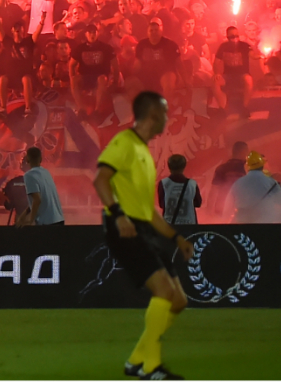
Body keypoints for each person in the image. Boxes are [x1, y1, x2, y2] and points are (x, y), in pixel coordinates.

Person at [94, 90, 196, 380]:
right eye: (165, 112)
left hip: (144, 227)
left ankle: (136, 360)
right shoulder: (124, 142)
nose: (167, 118)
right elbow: (100, 180)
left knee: (178, 301)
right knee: (164, 292)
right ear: (153, 115)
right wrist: (118, 214)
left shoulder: (146, 154)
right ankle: (151, 368)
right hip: (124, 229)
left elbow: (149, 210)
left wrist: (176, 238)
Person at [228, 152, 281, 223]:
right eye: (265, 161)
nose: (267, 163)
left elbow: (229, 206)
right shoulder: (270, 181)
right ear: (262, 164)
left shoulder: (240, 183)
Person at [18, 147, 63, 227]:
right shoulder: (46, 173)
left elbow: (37, 199)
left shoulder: (29, 175)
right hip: (58, 219)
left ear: (27, 160)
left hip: (46, 222)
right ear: (41, 159)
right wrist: (23, 215)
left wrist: (30, 220)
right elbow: (37, 199)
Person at [159, 155, 201, 227]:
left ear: (169, 166)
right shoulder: (192, 184)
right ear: (184, 166)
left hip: (169, 225)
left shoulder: (164, 183)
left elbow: (162, 204)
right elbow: (198, 203)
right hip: (189, 224)